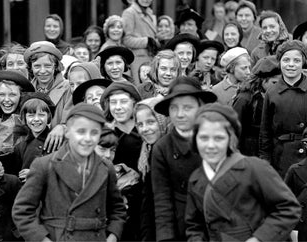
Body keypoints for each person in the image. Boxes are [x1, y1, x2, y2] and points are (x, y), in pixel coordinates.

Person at [185, 103, 301, 242]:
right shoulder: (196, 179)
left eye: (219, 138)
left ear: (230, 140)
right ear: (194, 140)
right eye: (203, 138)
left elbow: (289, 208)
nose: (211, 145)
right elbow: (194, 226)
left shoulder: (253, 168)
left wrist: (259, 239)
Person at [12, 103, 127, 241]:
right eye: (81, 132)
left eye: (94, 132)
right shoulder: (45, 165)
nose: (87, 139)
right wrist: (43, 240)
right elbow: (22, 211)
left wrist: (112, 237)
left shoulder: (106, 167)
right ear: (67, 132)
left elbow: (118, 210)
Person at [151, 77, 218, 241]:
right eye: (174, 108)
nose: (180, 114)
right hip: (182, 225)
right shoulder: (162, 148)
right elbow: (162, 200)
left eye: (187, 107)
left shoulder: (218, 138)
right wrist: (166, 238)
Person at [260, 40, 307, 176]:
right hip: (281, 156)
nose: (291, 65)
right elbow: (265, 132)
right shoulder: (272, 92)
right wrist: (266, 160)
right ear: (279, 63)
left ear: (303, 63)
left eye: (296, 61)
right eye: (286, 60)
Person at [133, 96, 167, 241]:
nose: (145, 129)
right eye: (140, 124)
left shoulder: (167, 152)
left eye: (151, 122)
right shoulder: (146, 150)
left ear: (162, 120)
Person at [232, 56, 281, 156]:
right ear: (262, 80)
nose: (277, 86)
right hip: (249, 150)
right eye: (274, 82)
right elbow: (235, 128)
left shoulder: (276, 96)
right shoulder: (245, 98)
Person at [0, 70, 35, 172]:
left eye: (12, 95)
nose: (7, 99)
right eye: (2, 94)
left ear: (21, 96)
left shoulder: (23, 121)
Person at [11, 93, 55, 181]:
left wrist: (36, 173)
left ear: (48, 117)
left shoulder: (56, 142)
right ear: (24, 118)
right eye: (31, 115)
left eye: (41, 115)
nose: (36, 119)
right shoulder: (20, 147)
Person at [122, 0, 158, 84]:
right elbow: (126, 40)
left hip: (150, 58)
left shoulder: (149, 12)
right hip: (138, 60)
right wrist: (147, 41)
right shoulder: (130, 12)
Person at [24, 41, 70, 105]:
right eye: (37, 66)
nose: (42, 71)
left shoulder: (68, 88)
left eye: (47, 66)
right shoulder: (26, 90)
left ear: (55, 66)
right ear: (31, 67)